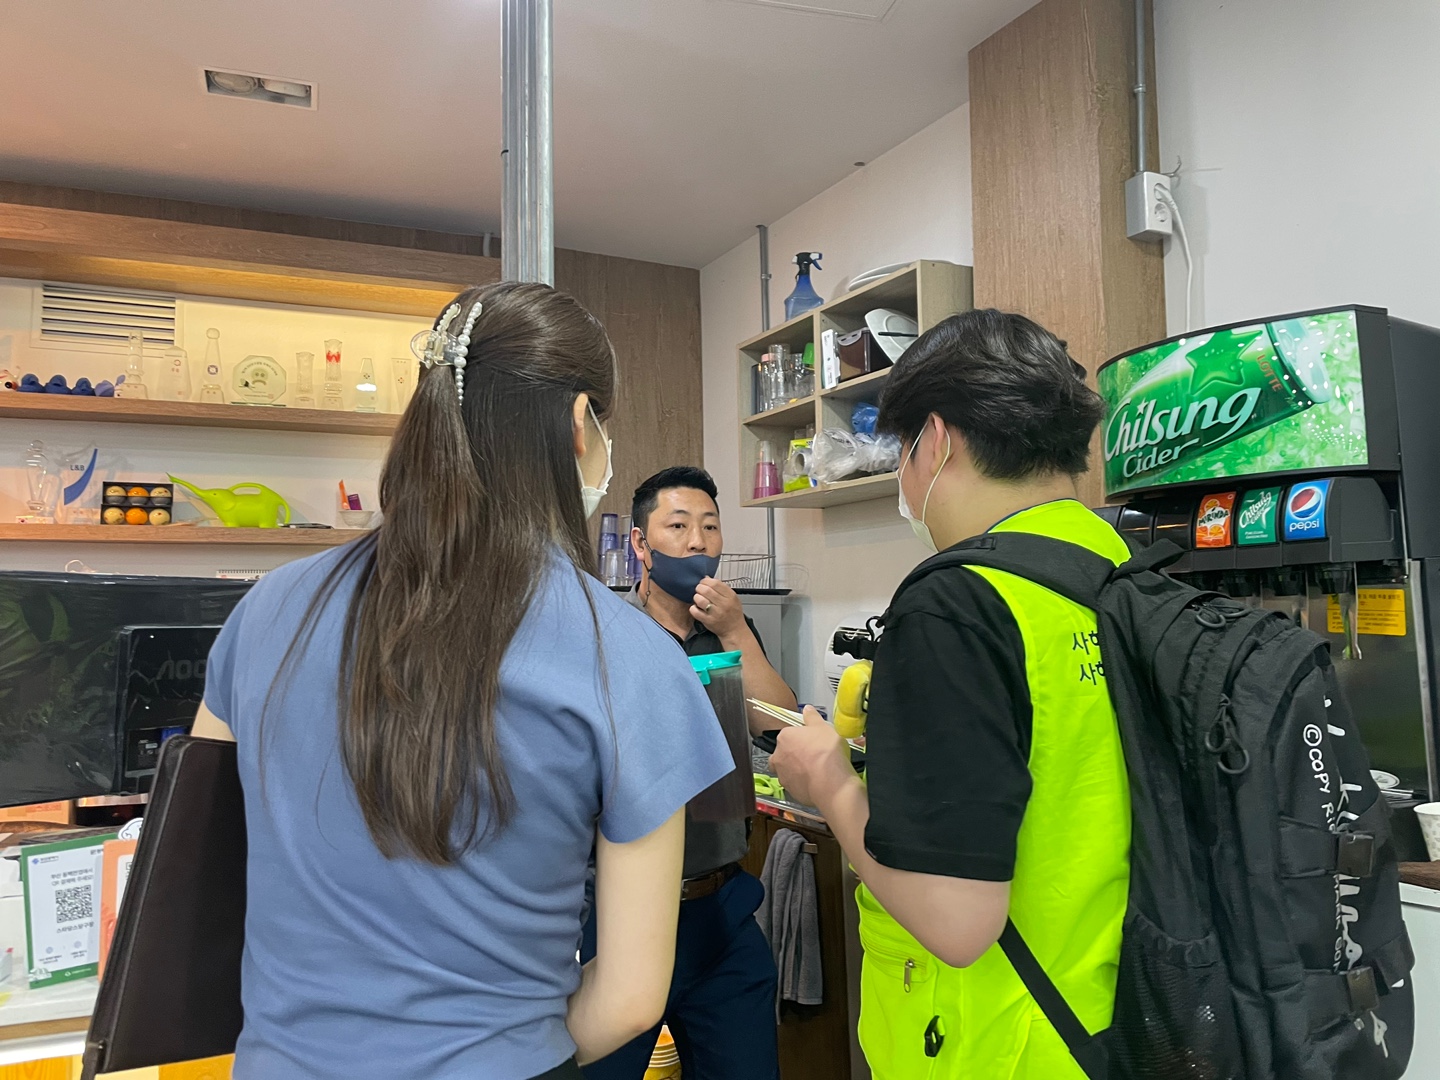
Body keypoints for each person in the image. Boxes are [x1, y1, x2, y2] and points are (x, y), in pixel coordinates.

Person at [190, 283, 737, 1080]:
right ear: (579, 425)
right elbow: (629, 999)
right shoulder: (627, 656)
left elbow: (206, 863)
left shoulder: (270, 608)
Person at [771, 309, 1130, 1079]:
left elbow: (958, 921)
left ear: (934, 441)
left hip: (993, 1045)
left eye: (904, 451)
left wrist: (828, 779)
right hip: (1120, 1026)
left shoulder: (957, 604)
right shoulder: (1123, 569)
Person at [579, 466, 796, 1080]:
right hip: (619, 913)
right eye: (678, 527)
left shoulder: (728, 632)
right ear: (640, 545)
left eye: (710, 527)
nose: (698, 541)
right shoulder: (605, 631)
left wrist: (734, 630)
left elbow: (778, 724)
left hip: (721, 907)